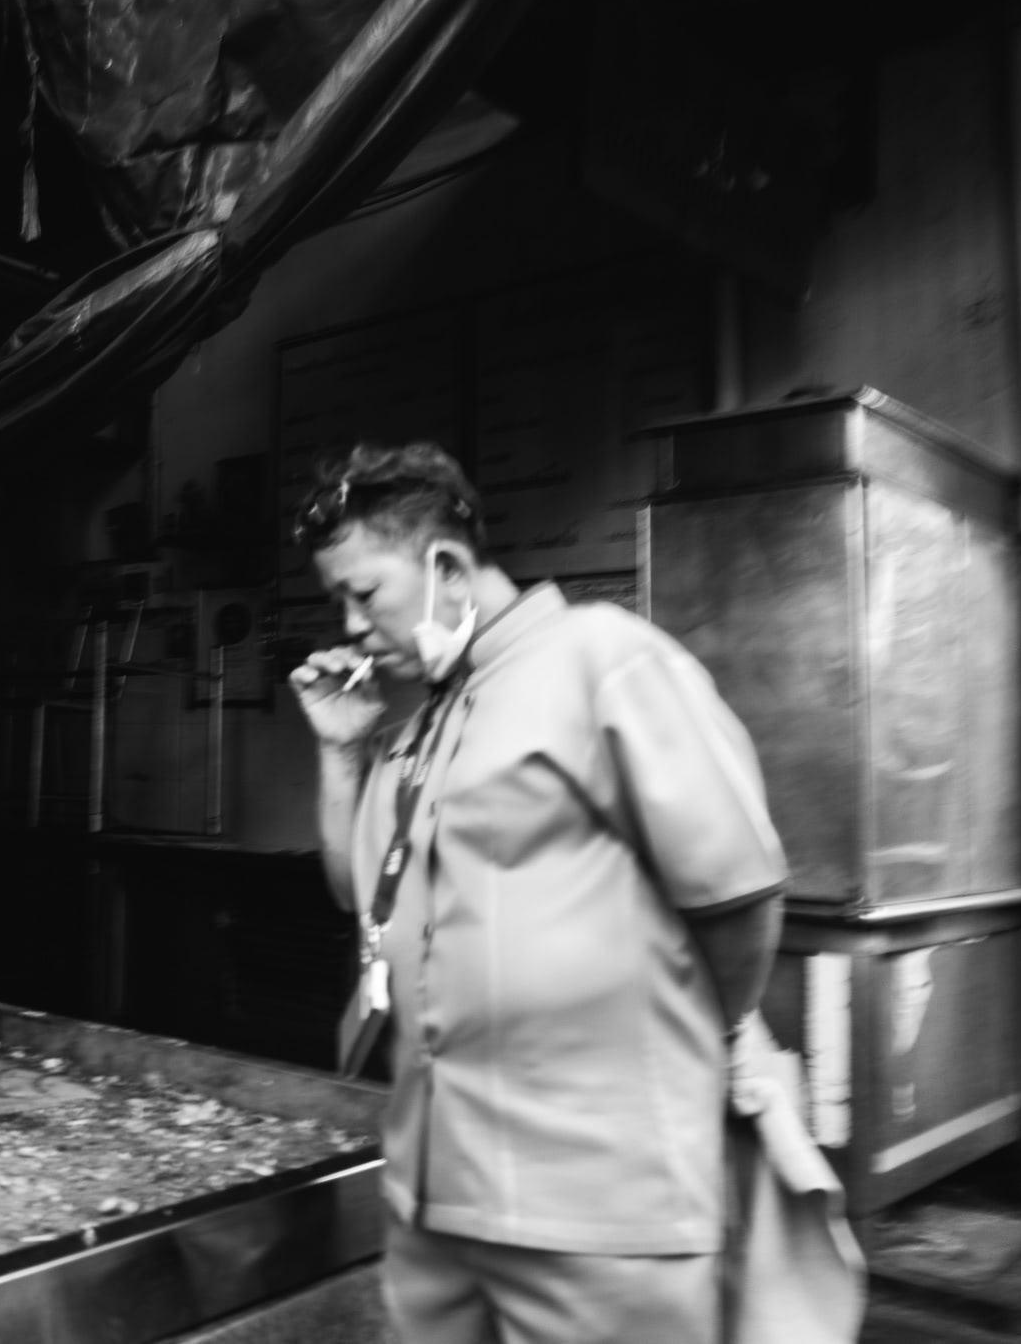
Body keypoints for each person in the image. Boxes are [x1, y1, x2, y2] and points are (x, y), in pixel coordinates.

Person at [286, 441, 787, 1344]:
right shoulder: (421, 719)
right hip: (436, 1190)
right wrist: (339, 751)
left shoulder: (605, 659)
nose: (352, 624)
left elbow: (740, 899)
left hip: (595, 1204)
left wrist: (697, 1043)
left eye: (364, 593)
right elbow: (359, 896)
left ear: (444, 566)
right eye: (339, 602)